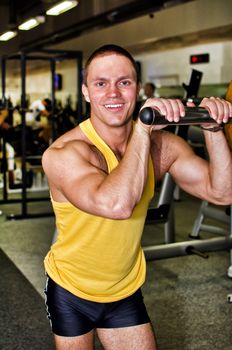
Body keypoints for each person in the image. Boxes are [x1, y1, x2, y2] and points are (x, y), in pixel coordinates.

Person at [42, 44, 232, 350]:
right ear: (86, 92)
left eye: (124, 82)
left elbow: (223, 192)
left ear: (137, 89)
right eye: (101, 84)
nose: (113, 93)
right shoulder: (64, 154)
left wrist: (212, 129)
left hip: (125, 288)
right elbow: (116, 205)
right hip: (72, 289)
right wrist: (143, 131)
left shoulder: (162, 146)